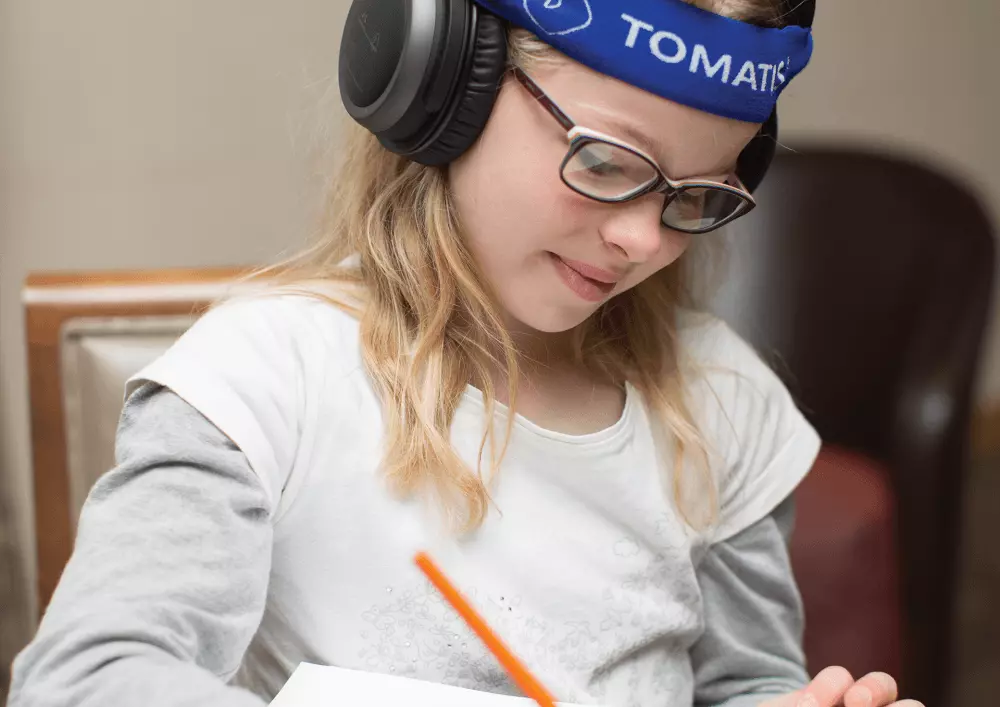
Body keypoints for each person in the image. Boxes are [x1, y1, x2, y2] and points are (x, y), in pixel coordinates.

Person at [9, 1, 922, 706]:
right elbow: (83, 680)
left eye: (696, 195)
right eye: (606, 162)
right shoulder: (262, 379)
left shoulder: (720, 401)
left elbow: (745, 681)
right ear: (445, 90)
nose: (644, 238)